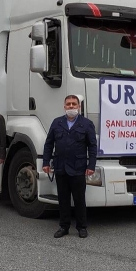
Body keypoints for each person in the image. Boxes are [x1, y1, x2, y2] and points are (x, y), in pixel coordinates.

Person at [42, 95, 97, 238]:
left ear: (79, 107)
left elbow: (92, 146)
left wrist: (91, 165)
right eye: (68, 104)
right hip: (60, 167)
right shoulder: (57, 123)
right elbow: (49, 144)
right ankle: (64, 226)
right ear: (64, 106)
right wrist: (46, 162)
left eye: (74, 104)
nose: (71, 106)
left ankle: (82, 227)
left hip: (78, 168)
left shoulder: (86, 124)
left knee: (79, 199)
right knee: (63, 199)